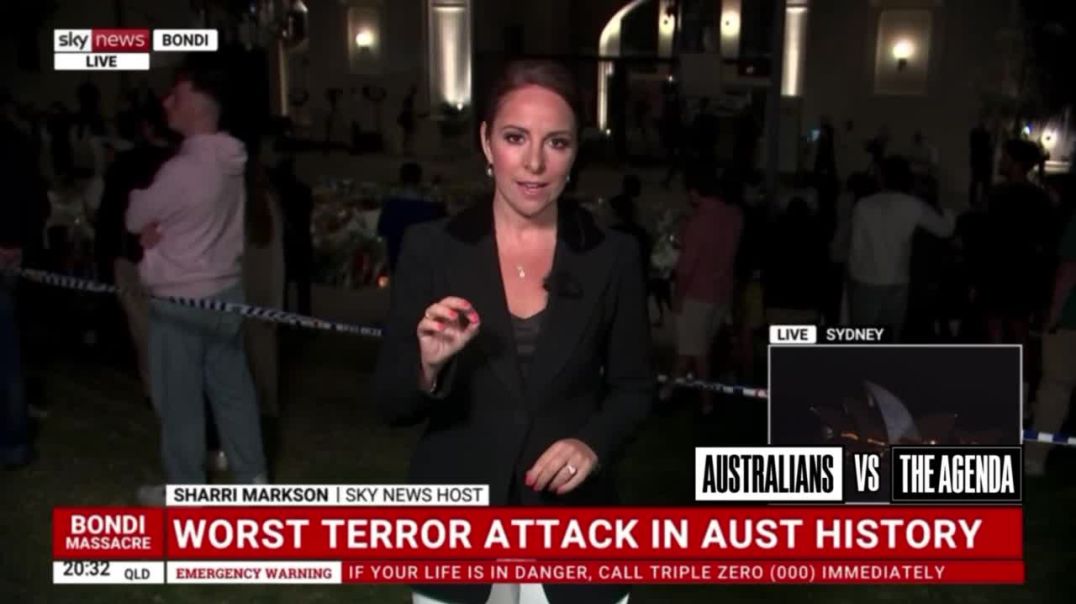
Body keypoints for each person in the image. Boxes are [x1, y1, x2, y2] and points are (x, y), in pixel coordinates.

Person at [373, 60, 653, 604]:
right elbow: (390, 404)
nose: (534, 162)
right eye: (515, 137)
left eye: (557, 143)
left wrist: (592, 444)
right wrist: (428, 366)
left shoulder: (613, 256)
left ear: (575, 153)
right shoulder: (431, 249)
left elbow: (635, 388)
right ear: (486, 142)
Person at [126, 58, 267, 502]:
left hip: (181, 299)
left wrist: (151, 230)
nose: (168, 102)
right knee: (232, 392)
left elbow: (134, 217)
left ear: (202, 103)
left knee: (181, 400)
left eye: (178, 94)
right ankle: (253, 481)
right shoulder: (230, 161)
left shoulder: (183, 170)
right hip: (225, 292)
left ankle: (186, 492)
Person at [95, 99, 176, 406]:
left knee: (143, 326)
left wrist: (107, 254)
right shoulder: (182, 164)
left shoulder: (125, 165)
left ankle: (155, 388)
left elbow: (110, 214)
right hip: (174, 258)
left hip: (132, 255)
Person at [847, 156, 955, 338]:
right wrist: (949, 212)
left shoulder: (864, 205)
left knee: (862, 337)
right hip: (898, 281)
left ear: (881, 178)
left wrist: (852, 278)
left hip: (866, 280)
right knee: (890, 337)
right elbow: (945, 230)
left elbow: (856, 248)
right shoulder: (912, 205)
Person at [665, 167, 743, 415]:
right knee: (693, 348)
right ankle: (669, 390)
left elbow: (687, 267)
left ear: (695, 193)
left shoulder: (699, 222)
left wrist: (678, 296)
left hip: (697, 294)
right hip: (722, 292)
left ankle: (705, 402)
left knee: (696, 351)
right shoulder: (734, 215)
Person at [980, 139, 1054, 344]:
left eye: (1004, 157)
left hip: (1000, 271)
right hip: (1023, 274)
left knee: (997, 326)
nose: (1000, 161)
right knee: (1018, 329)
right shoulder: (1040, 197)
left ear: (1015, 162)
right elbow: (1046, 240)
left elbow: (986, 236)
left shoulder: (998, 194)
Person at [1026, 180, 1076, 476]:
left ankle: (1034, 458)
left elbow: (1069, 272)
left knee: (1056, 387)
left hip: (1071, 321)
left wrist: (1053, 316)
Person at [376, 162, 446, 273]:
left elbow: (382, 233)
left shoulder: (391, 207)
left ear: (401, 179)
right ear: (419, 179)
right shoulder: (430, 208)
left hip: (398, 262)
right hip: (423, 263)